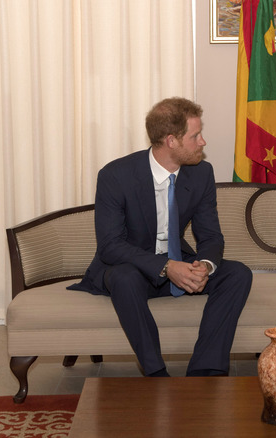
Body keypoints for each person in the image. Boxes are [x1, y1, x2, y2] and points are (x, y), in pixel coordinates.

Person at [69, 97, 252, 377]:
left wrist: (204, 265)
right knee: (125, 278)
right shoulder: (116, 176)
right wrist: (166, 267)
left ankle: (206, 372)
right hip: (132, 269)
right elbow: (110, 246)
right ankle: (156, 376)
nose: (203, 142)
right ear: (171, 141)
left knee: (237, 274)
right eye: (195, 136)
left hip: (177, 262)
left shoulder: (201, 173)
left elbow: (210, 234)